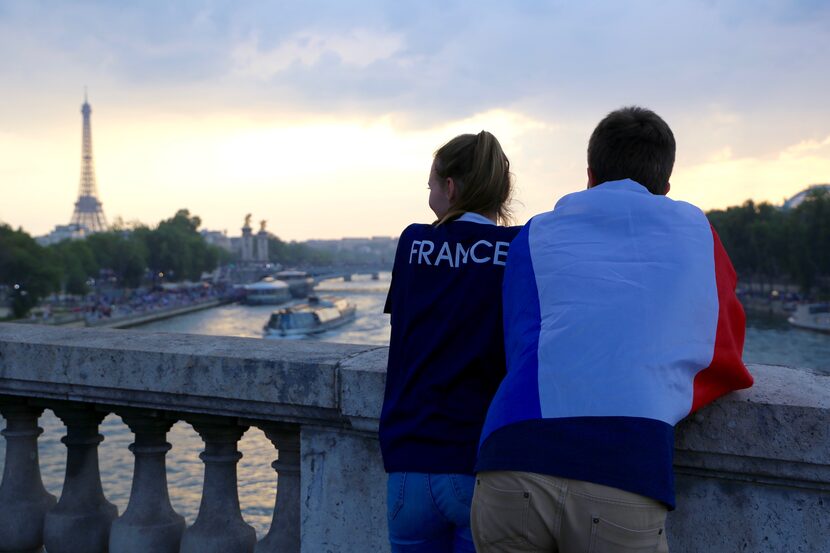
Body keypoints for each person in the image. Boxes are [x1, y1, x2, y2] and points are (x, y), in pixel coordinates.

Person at [471, 106, 754, 553]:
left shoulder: (534, 233)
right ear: (665, 184)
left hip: (511, 452)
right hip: (624, 466)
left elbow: (521, 343)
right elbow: (723, 349)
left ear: (589, 174)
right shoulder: (697, 231)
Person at [380, 131, 522, 552]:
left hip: (409, 462)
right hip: (481, 464)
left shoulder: (412, 243)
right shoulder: (516, 250)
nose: (429, 196)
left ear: (451, 187)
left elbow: (407, 327)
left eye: (431, 186)